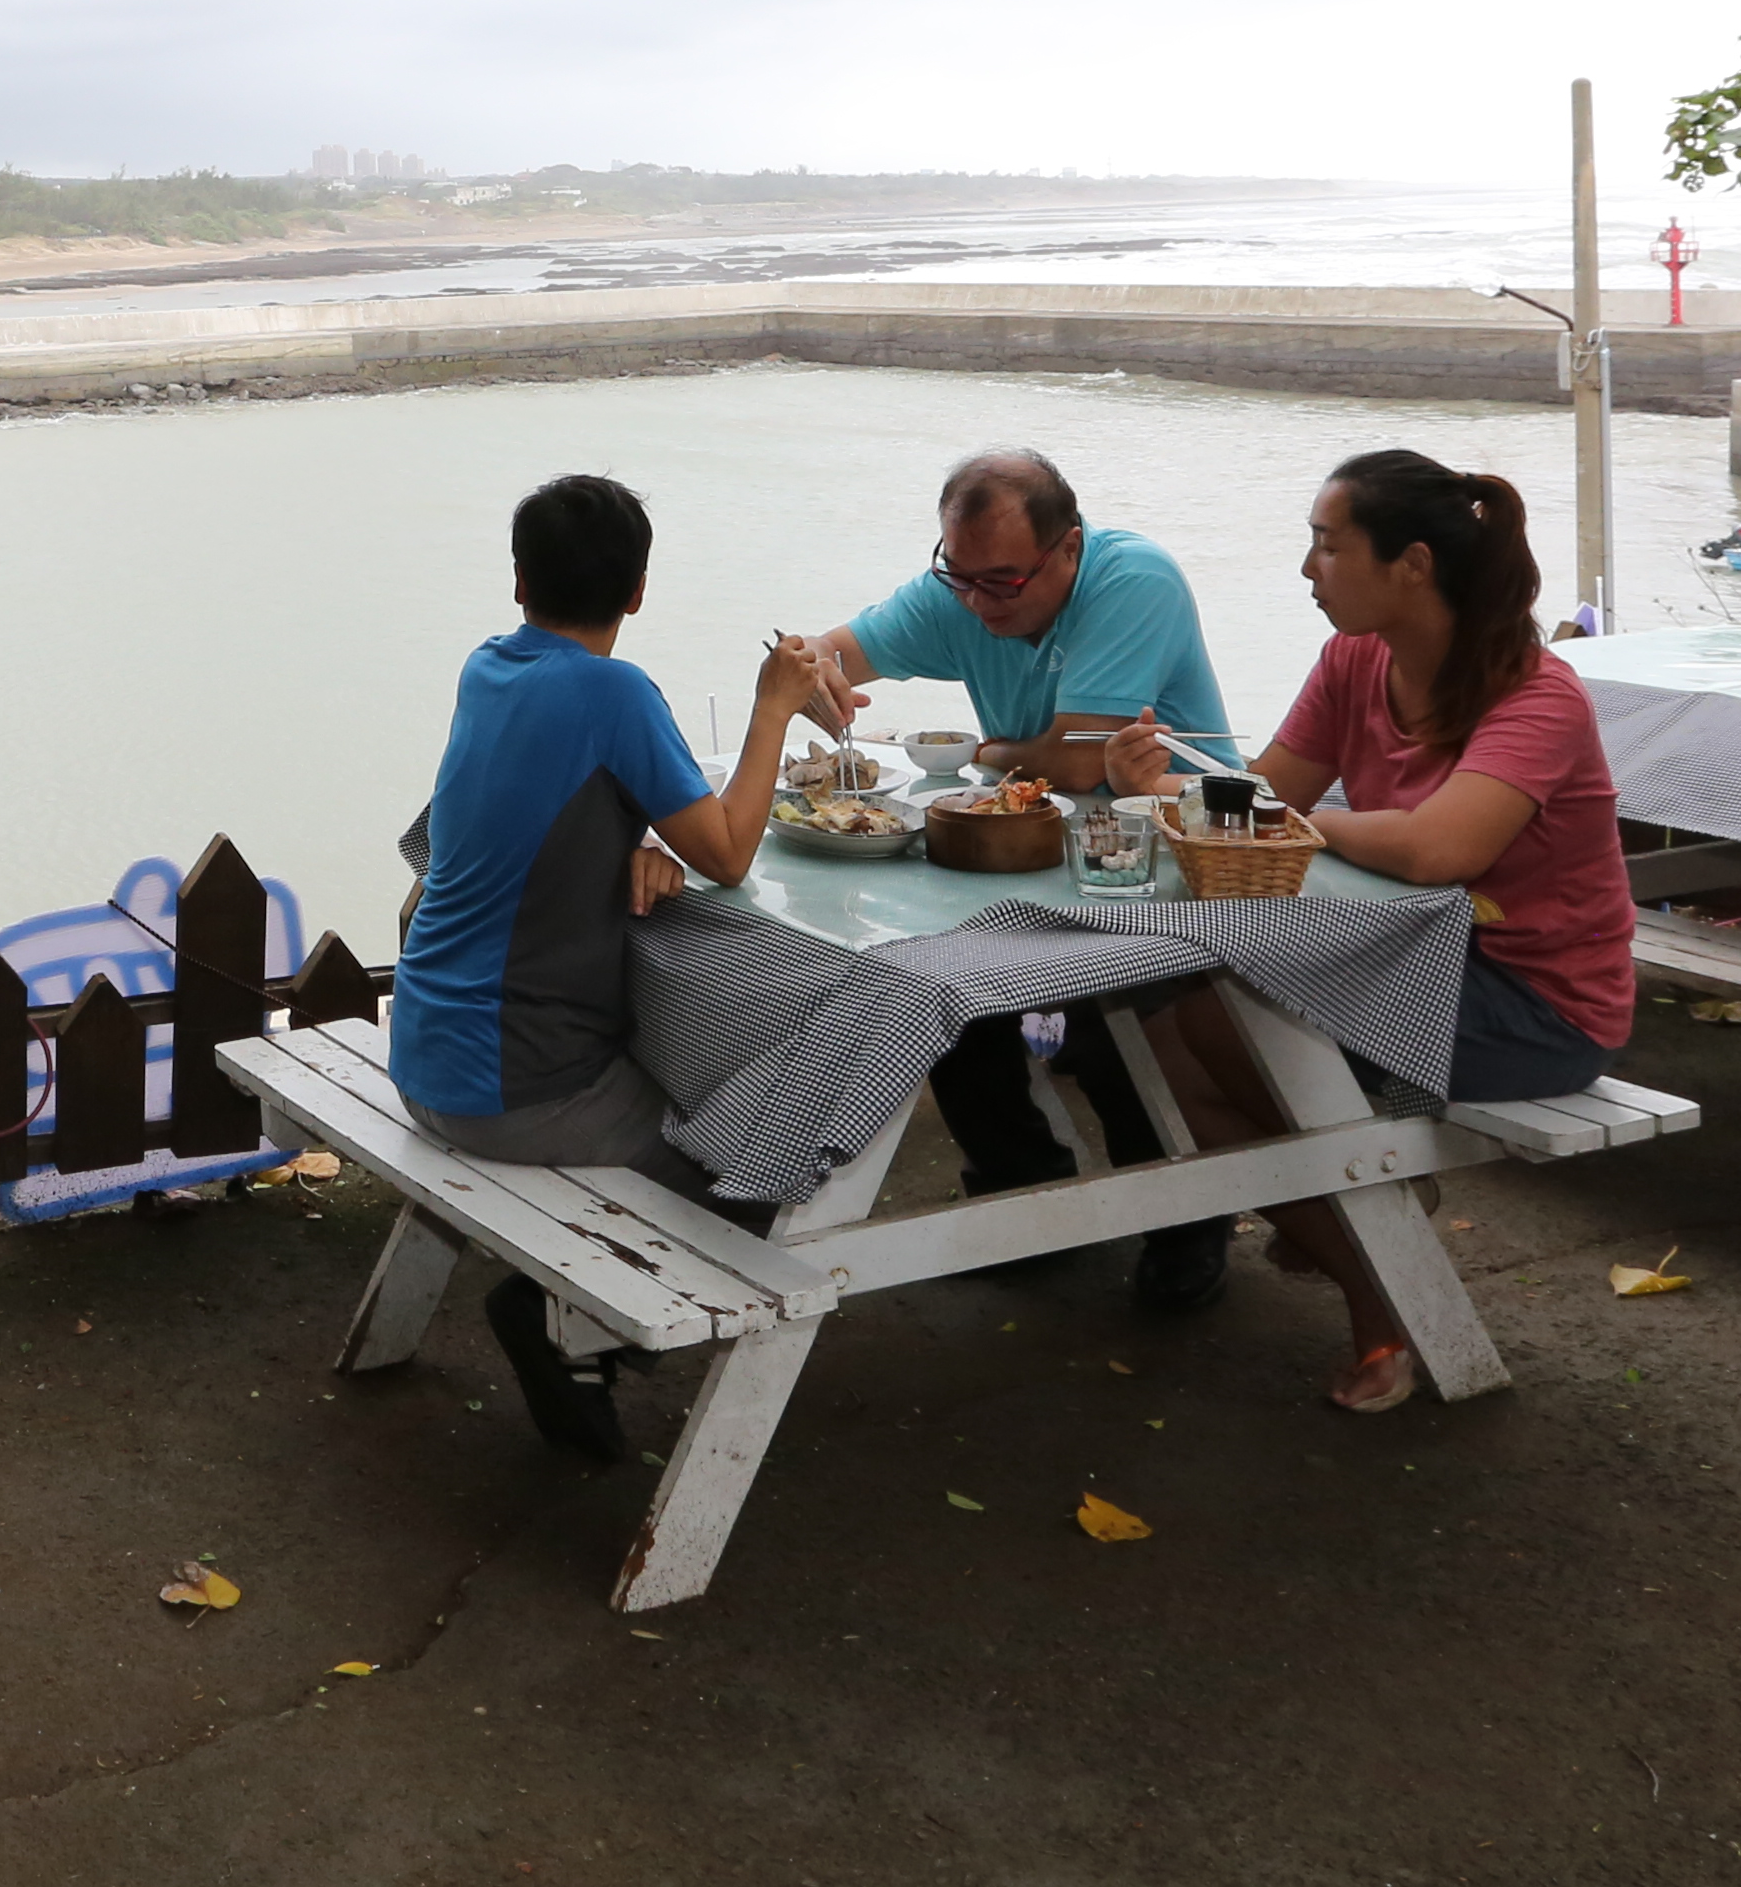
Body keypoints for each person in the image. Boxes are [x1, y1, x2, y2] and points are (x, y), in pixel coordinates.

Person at [1148, 449, 1637, 1414]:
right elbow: (1264, 794)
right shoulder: (1353, 660)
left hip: (1537, 1006)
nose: (1308, 571)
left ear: (1411, 564)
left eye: (1328, 548)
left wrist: (1290, 822)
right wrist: (1161, 783)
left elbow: (1433, 850)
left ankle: (1379, 1285)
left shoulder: (1539, 698)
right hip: (1405, 962)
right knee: (1160, 1047)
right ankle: (1373, 1234)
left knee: (1216, 1017)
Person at [391, 471, 828, 1464]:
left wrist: (633, 836)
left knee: (691, 1103)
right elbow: (727, 854)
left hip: (424, 1047)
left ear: (517, 582)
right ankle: (560, 1316)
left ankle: (568, 1323)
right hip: (510, 1087)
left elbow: (545, 808)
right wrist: (773, 713)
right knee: (762, 1176)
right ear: (638, 591)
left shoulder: (487, 666)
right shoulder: (613, 690)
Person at [797, 448, 1244, 1292]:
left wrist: (990, 750)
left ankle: (1183, 1217)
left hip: (1162, 853)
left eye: (1002, 582)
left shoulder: (1133, 580)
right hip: (1036, 851)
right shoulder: (964, 589)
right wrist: (813, 668)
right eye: (957, 576)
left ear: (1067, 549)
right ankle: (1022, 1192)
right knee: (934, 983)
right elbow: (832, 650)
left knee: (1116, 1010)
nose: (975, 603)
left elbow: (1080, 765)